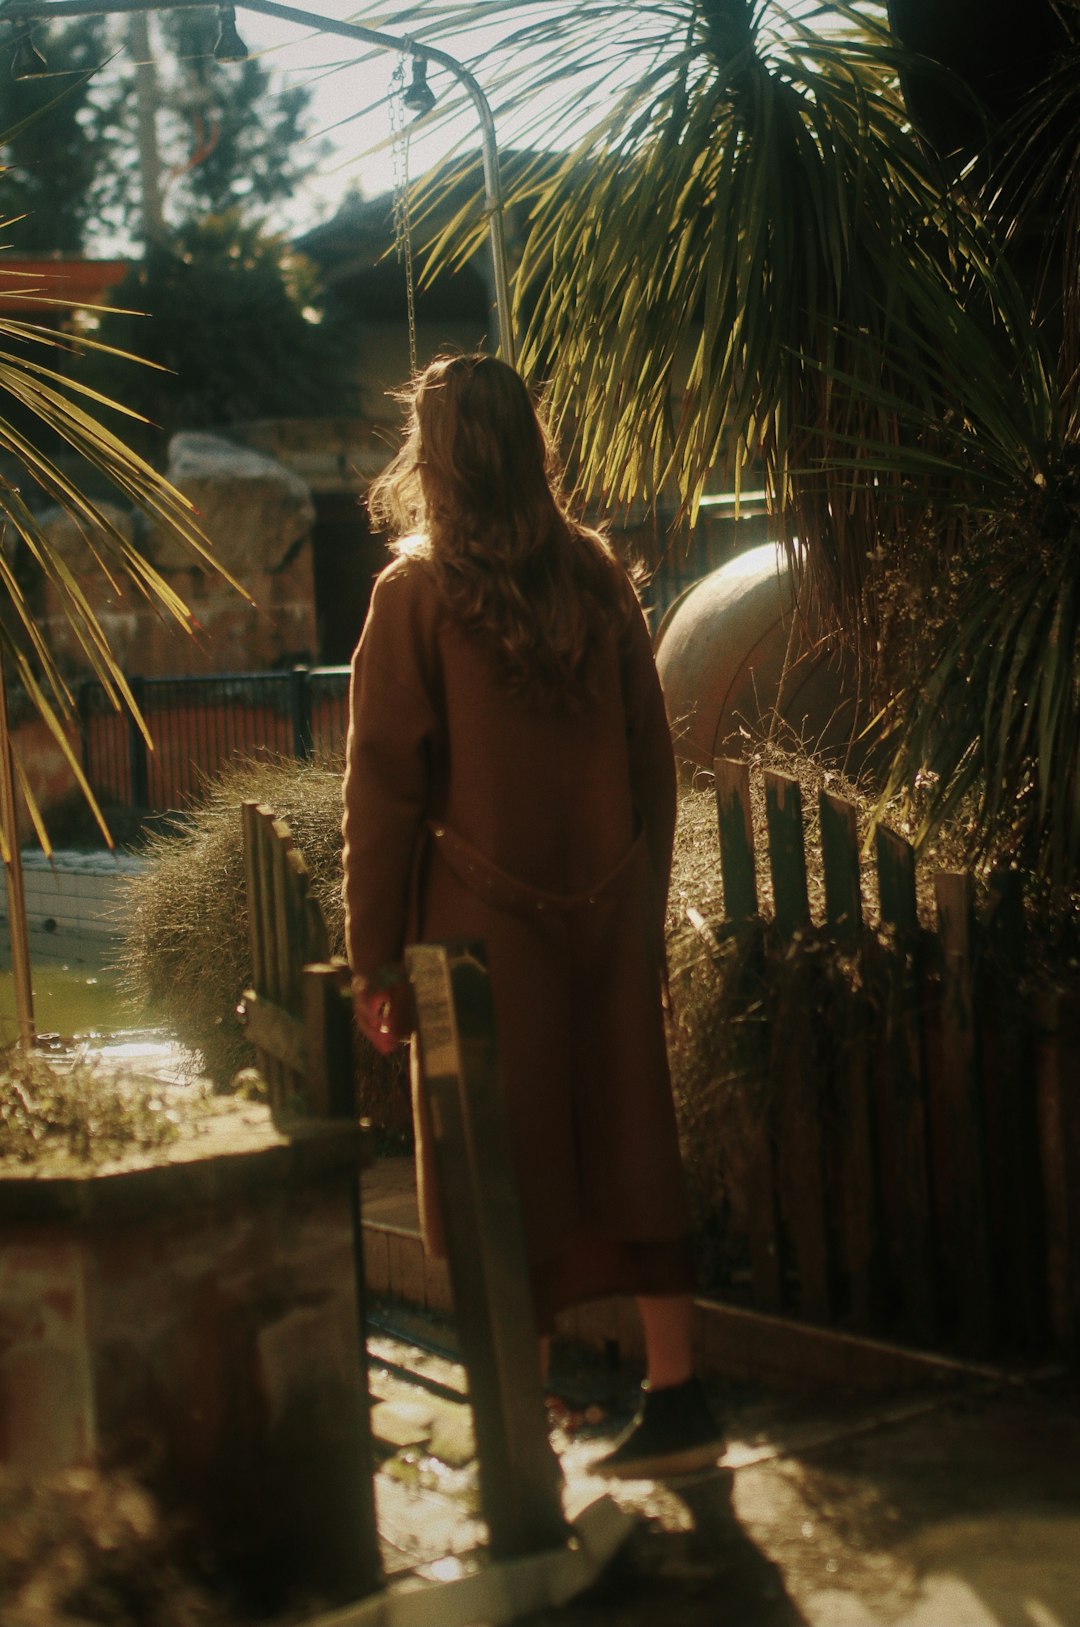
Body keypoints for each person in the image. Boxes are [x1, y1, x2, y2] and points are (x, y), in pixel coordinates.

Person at [341, 352, 723, 1478]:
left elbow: (381, 792)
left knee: (497, 1169)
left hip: (475, 945)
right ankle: (679, 1397)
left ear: (439, 455)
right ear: (532, 446)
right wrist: (633, 909)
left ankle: (524, 1427)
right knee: (630, 1141)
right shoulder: (598, 575)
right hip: (605, 926)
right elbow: (652, 761)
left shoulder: (412, 595)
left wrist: (373, 964)